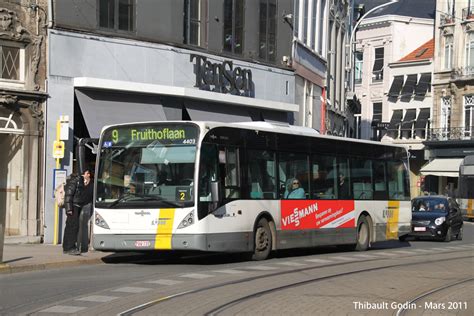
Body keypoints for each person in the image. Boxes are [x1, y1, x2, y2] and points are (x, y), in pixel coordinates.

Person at [63, 169, 94, 255]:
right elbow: (68, 195)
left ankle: (67, 247)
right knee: (73, 226)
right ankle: (70, 247)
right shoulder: (75, 181)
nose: (89, 175)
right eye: (87, 173)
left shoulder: (80, 181)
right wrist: (69, 209)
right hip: (73, 206)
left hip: (77, 206)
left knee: (71, 226)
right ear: (83, 174)